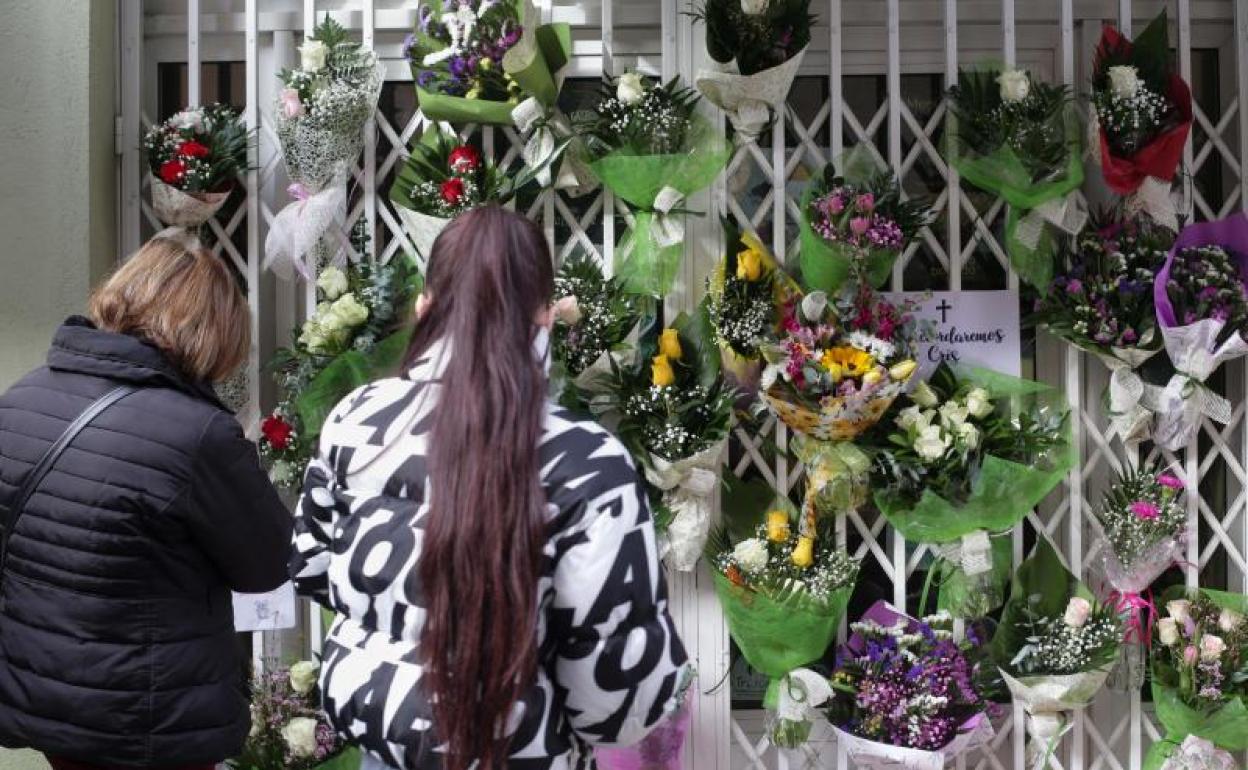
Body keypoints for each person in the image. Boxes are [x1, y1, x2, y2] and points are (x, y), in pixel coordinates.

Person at [290, 206, 690, 770]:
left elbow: (311, 568)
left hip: (385, 752)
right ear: (545, 316)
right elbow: (617, 702)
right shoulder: (589, 463)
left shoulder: (355, 419)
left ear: (424, 306)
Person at [0, 231, 293, 770]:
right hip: (151, 714)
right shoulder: (197, 433)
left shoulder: (21, 399)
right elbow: (266, 565)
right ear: (212, 330)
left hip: (49, 700)